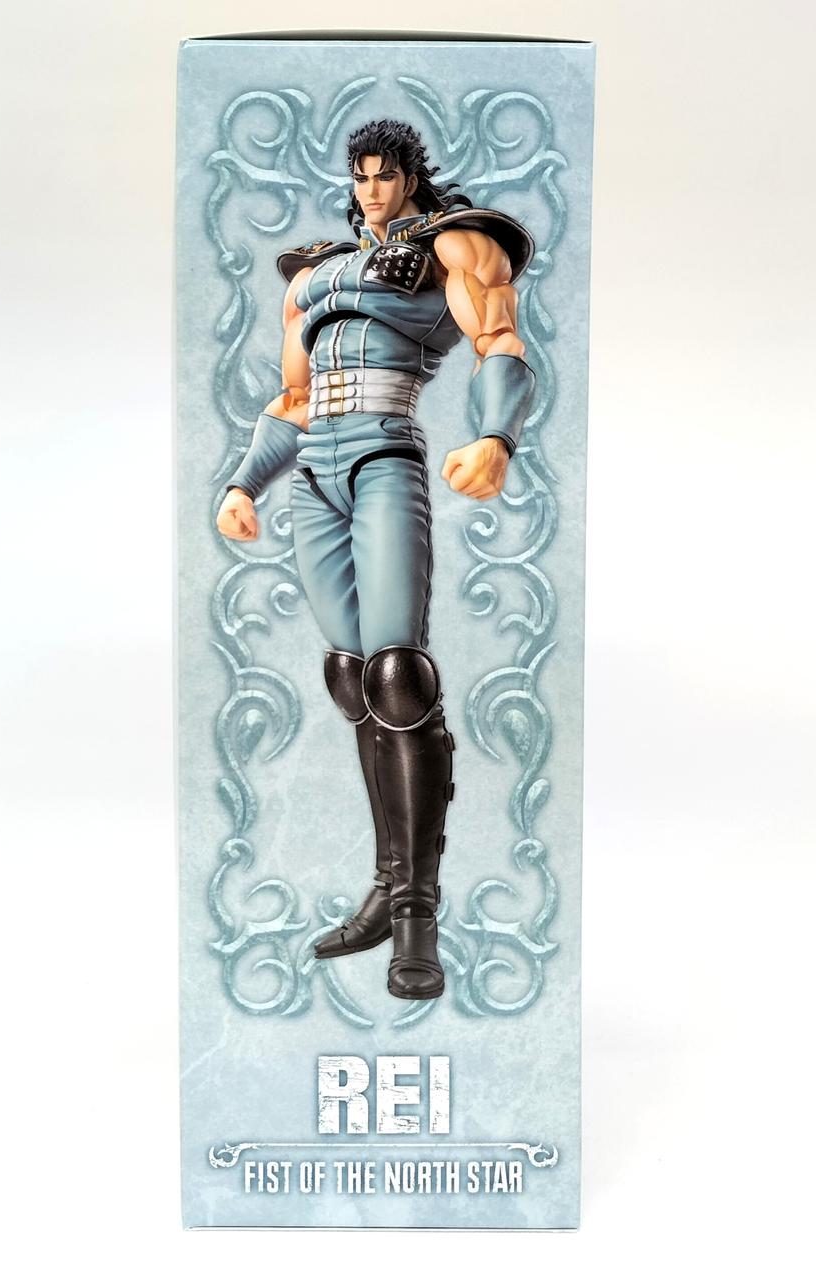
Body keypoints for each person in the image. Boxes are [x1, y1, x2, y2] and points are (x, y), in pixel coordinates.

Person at [214, 119, 536, 1000]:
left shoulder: (452, 243)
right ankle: (388, 888)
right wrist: (244, 480)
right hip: (314, 473)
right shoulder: (312, 276)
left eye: (386, 177)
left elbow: (499, 342)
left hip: (384, 454)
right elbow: (293, 397)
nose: (372, 191)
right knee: (353, 677)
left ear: (410, 177)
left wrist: (496, 437)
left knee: (400, 676)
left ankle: (418, 917)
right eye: (360, 178)